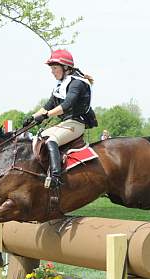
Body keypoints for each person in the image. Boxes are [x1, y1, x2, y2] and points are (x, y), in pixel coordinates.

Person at [25, 49, 97, 188]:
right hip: (65, 123)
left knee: (51, 139)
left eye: (55, 68)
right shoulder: (61, 84)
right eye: (51, 68)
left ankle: (55, 178)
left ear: (66, 68)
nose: (52, 71)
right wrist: (32, 117)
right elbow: (48, 105)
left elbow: (66, 105)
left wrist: (46, 115)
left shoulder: (77, 83)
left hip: (76, 123)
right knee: (39, 138)